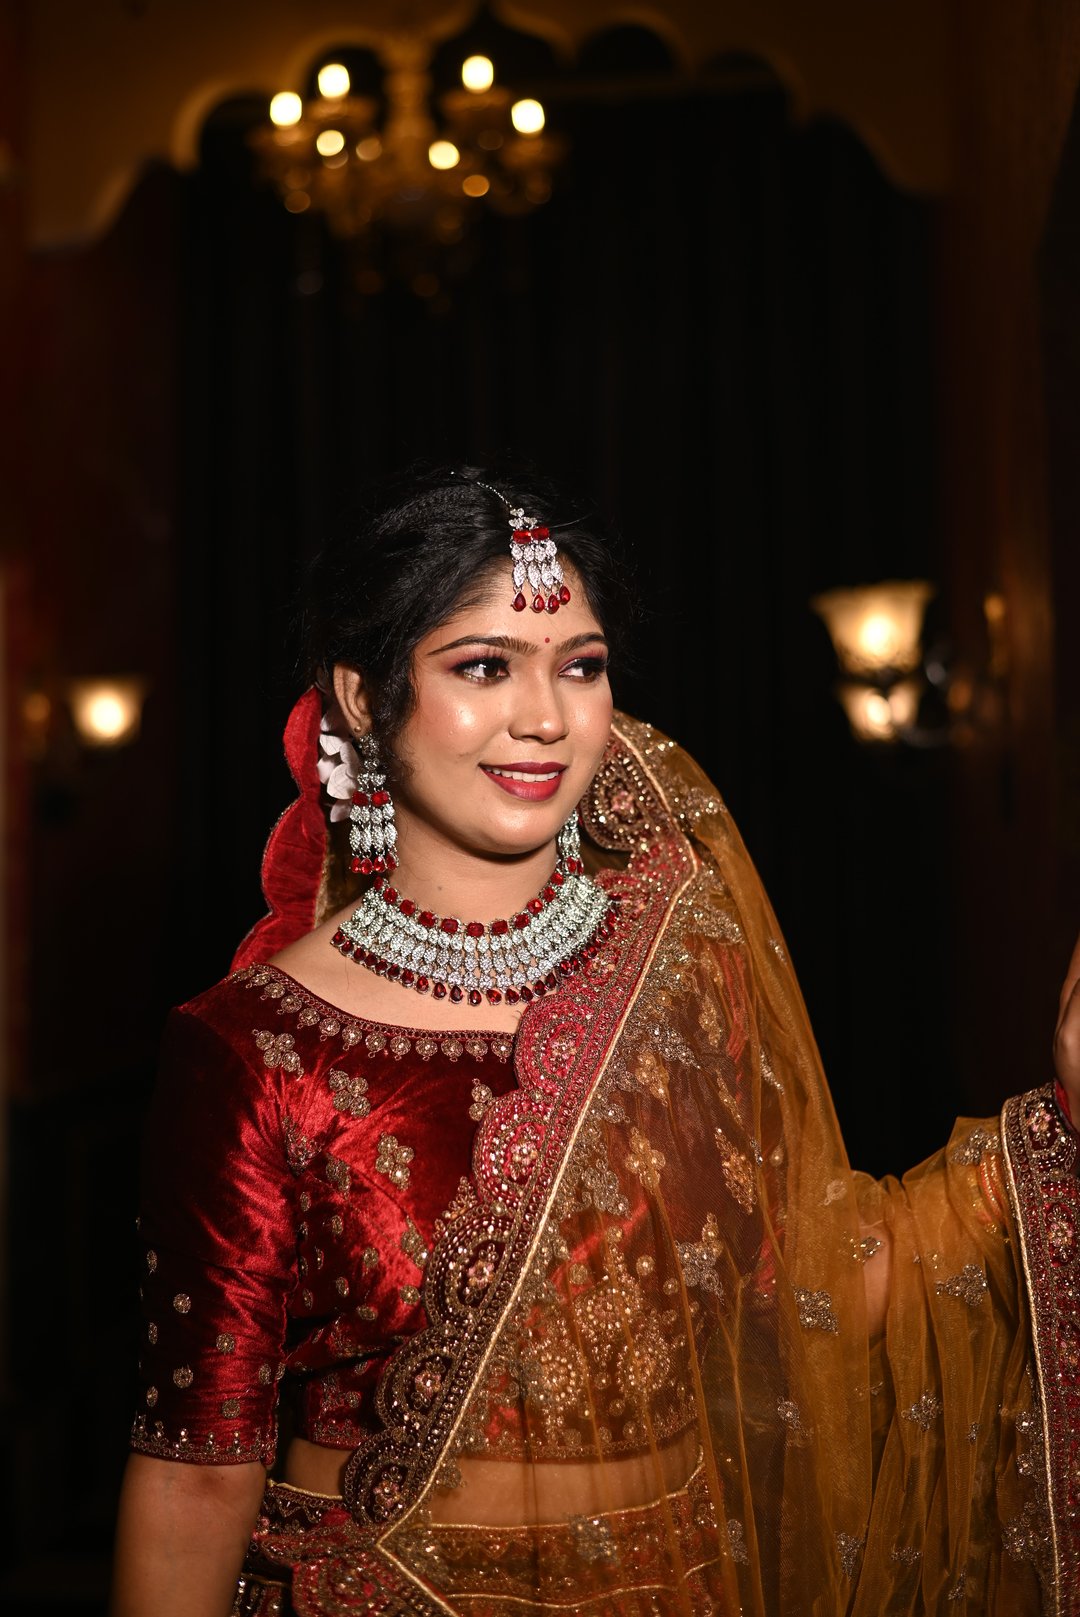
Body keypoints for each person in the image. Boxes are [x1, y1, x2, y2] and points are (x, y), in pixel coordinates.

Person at [111, 466, 1080, 1616]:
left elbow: (810, 1295)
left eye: (580, 665)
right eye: (484, 666)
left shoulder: (678, 972)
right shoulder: (254, 1048)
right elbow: (195, 1475)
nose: (546, 717)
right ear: (363, 699)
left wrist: (1061, 1124)